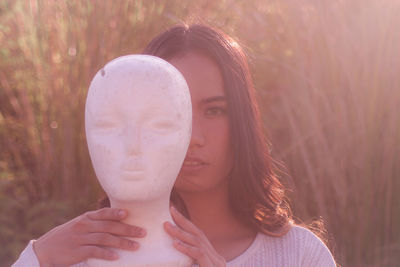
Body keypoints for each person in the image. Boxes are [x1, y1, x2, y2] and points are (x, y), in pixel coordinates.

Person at [12, 24, 336, 267]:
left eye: (214, 110)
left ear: (242, 121)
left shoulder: (299, 255)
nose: (192, 135)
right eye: (170, 114)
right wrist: (37, 258)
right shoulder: (80, 255)